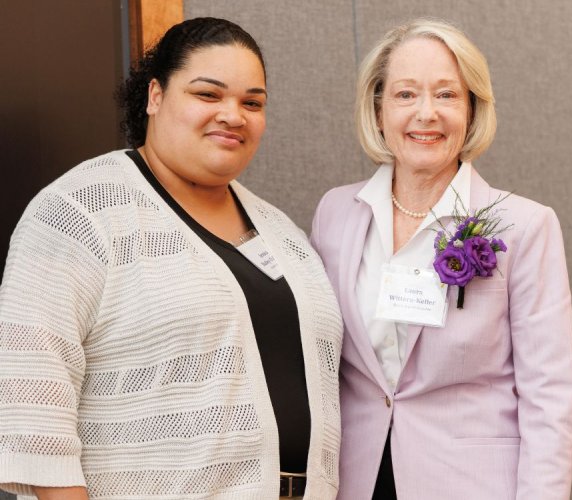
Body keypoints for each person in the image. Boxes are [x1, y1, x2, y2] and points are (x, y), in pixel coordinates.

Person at [0, 17, 341, 500]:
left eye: (252, 102)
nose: (233, 114)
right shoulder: (79, 211)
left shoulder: (283, 232)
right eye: (208, 94)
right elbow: (31, 402)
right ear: (155, 96)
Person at [311, 18, 572, 499]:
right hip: (355, 479)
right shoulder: (336, 213)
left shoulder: (525, 226)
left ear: (473, 109)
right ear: (378, 109)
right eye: (406, 94)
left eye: (447, 95)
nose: (426, 113)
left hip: (471, 484)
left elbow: (550, 397)